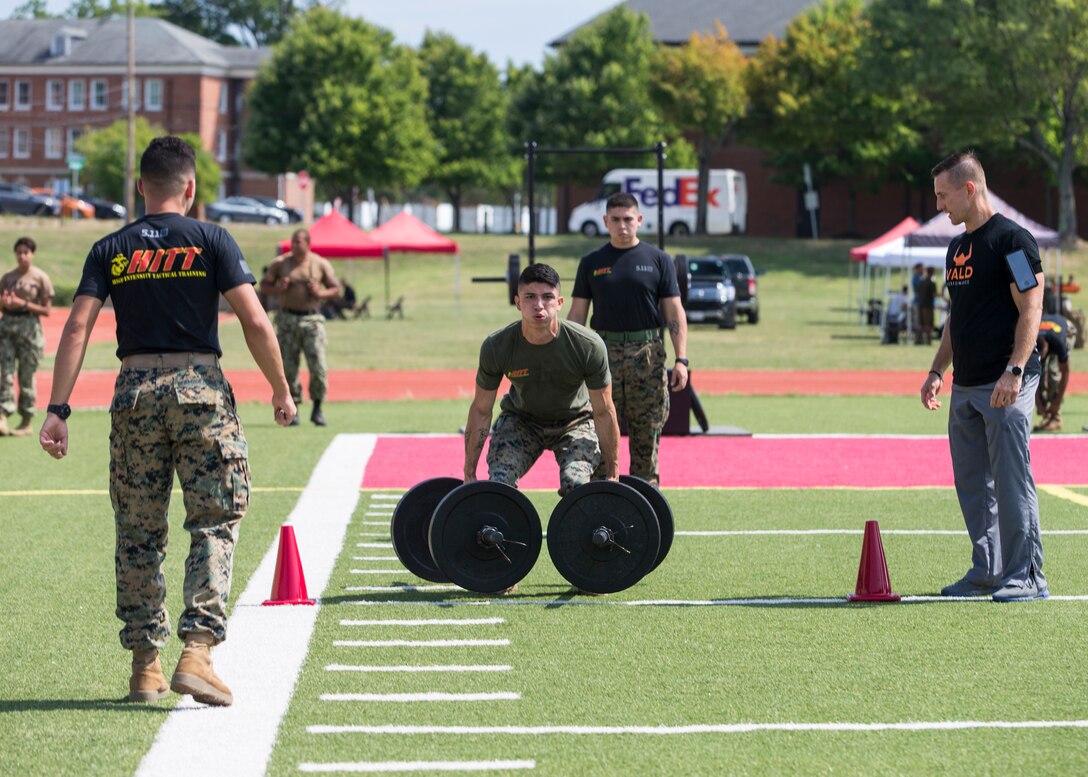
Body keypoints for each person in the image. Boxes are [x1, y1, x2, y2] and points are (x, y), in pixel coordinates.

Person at [39, 136, 297, 706]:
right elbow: (253, 319)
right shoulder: (212, 239)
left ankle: (145, 668)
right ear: (191, 187)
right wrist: (280, 389)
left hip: (134, 393)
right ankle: (198, 652)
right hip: (200, 389)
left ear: (139, 188)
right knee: (213, 519)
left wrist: (57, 408)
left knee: (138, 532)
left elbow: (78, 327)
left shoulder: (111, 248)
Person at [920, 150, 1047, 602]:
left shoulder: (1013, 241)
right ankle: (988, 571)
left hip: (1006, 382)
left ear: (968, 188)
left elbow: (1032, 306)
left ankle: (1027, 576)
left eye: (943, 195)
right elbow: (959, 316)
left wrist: (1014, 370)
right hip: (967, 385)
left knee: (1011, 479)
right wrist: (938, 369)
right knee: (973, 484)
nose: (939, 206)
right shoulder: (957, 248)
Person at [465, 263, 619, 497]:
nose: (538, 305)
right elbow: (481, 410)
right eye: (530, 297)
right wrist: (469, 473)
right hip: (522, 421)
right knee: (499, 484)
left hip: (575, 421)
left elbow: (604, 411)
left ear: (559, 303)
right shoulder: (497, 346)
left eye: (547, 297)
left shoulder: (588, 345)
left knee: (576, 485)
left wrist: (613, 474)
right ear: (518, 302)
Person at [568, 192, 688, 487]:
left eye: (628, 219)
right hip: (602, 356)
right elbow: (577, 315)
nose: (622, 226)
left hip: (646, 355)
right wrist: (570, 361)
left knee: (646, 432)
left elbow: (674, 311)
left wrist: (681, 359)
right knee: (600, 432)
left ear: (639, 221)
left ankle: (646, 503)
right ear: (605, 221)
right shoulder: (592, 262)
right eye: (616, 220)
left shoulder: (658, 260)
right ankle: (599, 501)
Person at [260, 229, 339, 426]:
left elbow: (336, 289)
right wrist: (279, 289)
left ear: (308, 244)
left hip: (311, 321)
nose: (295, 245)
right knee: (288, 366)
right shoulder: (281, 263)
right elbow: (264, 286)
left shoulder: (319, 263)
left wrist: (319, 293)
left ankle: (318, 409)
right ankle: (292, 409)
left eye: (299, 242)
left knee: (318, 365)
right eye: (293, 242)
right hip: (287, 320)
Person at [1, 236, 53, 437]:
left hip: (29, 330)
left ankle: (26, 420)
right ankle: (3, 415)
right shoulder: (7, 277)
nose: (22, 256)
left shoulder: (40, 278)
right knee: (5, 372)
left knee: (26, 374)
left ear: (32, 254)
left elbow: (46, 310)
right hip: (7, 328)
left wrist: (23, 304)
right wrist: (5, 302)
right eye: (19, 252)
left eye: (26, 252)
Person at [1033, 317, 1071, 432]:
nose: (1042, 357)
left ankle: (1056, 417)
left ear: (1046, 347)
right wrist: (1038, 402)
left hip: (1067, 330)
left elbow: (1065, 372)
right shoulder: (1032, 341)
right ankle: (1046, 416)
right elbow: (1032, 376)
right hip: (1045, 329)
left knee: (1053, 373)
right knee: (1040, 375)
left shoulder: (1057, 343)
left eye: (1042, 354)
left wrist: (1057, 402)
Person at [916, 267, 938, 345]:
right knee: (928, 324)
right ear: (932, 273)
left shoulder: (921, 283)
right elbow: (934, 295)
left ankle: (918, 339)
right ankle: (928, 340)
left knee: (920, 323)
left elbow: (917, 293)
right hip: (928, 306)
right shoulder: (932, 283)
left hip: (920, 305)